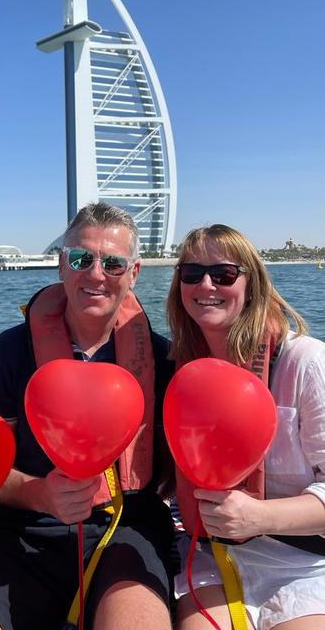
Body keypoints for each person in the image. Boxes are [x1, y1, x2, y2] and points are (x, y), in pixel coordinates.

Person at [0, 202, 176, 630]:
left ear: (134, 273)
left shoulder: (160, 357)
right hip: (26, 529)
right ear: (62, 265)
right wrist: (40, 493)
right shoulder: (10, 350)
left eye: (113, 264)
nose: (96, 274)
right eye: (81, 259)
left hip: (128, 528)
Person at [167, 224, 325, 630]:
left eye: (223, 274)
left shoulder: (304, 363)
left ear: (251, 284)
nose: (206, 285)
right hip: (208, 557)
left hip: (304, 563)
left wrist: (259, 516)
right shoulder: (178, 373)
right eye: (191, 273)